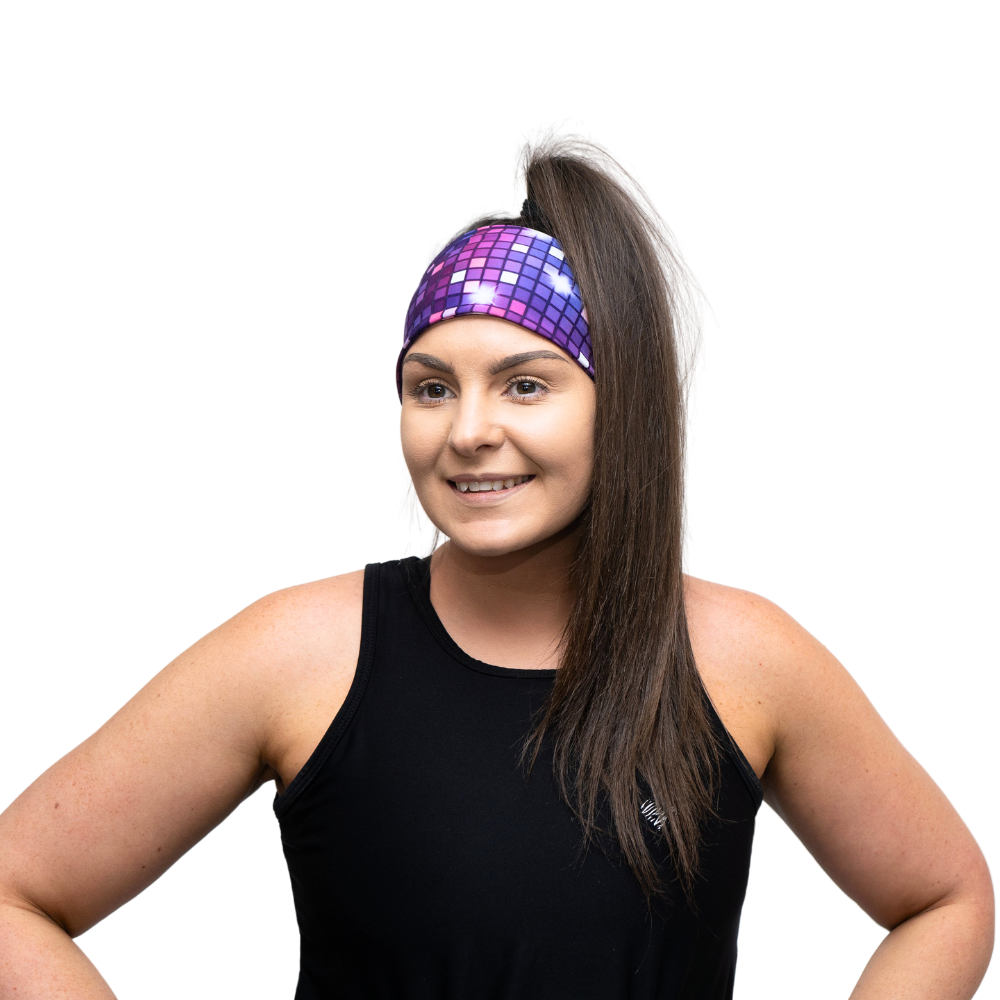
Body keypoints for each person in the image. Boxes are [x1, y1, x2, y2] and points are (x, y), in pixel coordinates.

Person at [0, 139, 992, 1000]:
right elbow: (17, 890)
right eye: (431, 387)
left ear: (622, 404)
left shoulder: (746, 660)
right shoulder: (302, 652)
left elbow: (943, 897)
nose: (469, 431)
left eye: (525, 383)